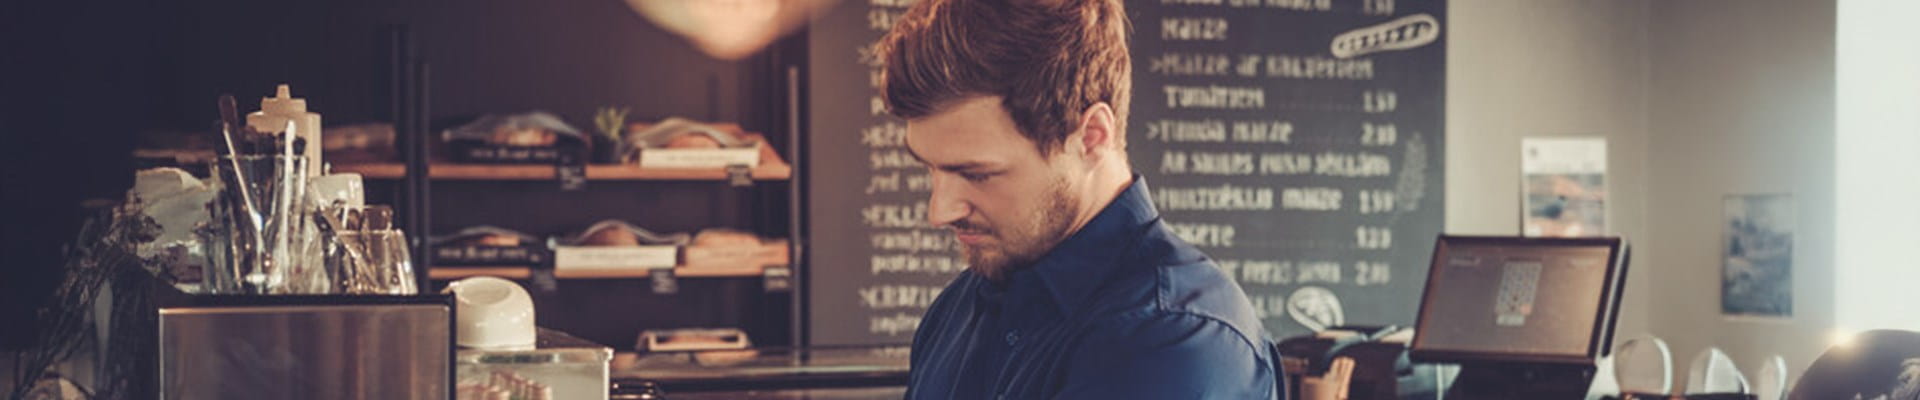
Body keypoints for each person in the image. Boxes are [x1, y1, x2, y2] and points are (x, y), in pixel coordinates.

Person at [876, 0, 1280, 398]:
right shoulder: (955, 311)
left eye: (977, 174)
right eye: (930, 168)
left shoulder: (1172, 340)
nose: (939, 211)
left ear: (1091, 137)